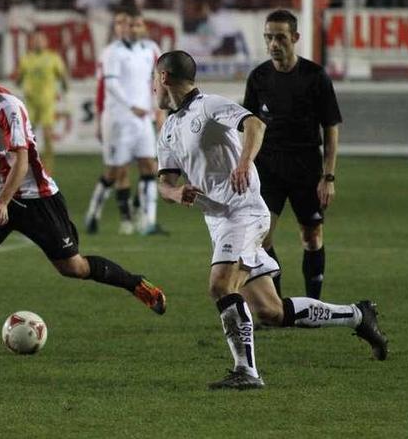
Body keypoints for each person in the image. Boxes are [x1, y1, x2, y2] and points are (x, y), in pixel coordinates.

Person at [154, 50, 387, 390]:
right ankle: (358, 314)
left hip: (244, 212)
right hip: (219, 222)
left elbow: (255, 124)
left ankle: (245, 371)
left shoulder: (209, 106)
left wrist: (245, 162)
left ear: (163, 78)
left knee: (220, 285)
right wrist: (175, 194)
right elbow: (164, 183)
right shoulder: (169, 129)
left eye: (154, 80)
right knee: (270, 311)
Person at [0, 39, 166, 354]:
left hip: (36, 198)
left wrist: (4, 202)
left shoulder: (8, 106)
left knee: (73, 267)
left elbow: (21, 161)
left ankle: (136, 284)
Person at [243, 9, 342, 300]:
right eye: (269, 37)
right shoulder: (258, 77)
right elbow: (248, 125)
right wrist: (244, 163)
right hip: (268, 170)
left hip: (306, 169)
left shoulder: (315, 76)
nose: (274, 43)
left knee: (311, 238)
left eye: (280, 37)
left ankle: (313, 303)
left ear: (295, 38)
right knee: (262, 239)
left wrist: (329, 176)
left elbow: (331, 127)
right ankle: (278, 305)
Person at [84, 7, 162, 235]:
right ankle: (94, 211)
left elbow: (157, 81)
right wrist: (131, 105)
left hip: (143, 118)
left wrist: (158, 109)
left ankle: (148, 221)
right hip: (119, 119)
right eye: (129, 25)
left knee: (149, 166)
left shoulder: (150, 50)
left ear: (144, 27)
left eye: (138, 25)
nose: (133, 28)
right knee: (116, 171)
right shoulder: (112, 52)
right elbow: (109, 84)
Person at [15, 30, 68, 172]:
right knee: (26, 137)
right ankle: (26, 165)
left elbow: (63, 76)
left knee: (47, 136)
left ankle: (47, 168)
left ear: (46, 42)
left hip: (47, 103)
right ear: (32, 42)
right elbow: (18, 79)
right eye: (35, 39)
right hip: (31, 103)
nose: (38, 42)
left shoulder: (53, 57)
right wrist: (22, 82)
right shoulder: (26, 59)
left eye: (41, 39)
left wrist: (65, 89)